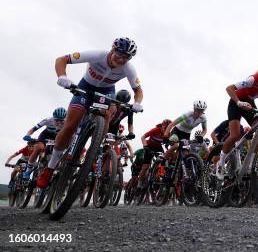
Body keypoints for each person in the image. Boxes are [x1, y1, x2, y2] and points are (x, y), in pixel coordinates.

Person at [37, 37, 144, 189]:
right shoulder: (97, 55)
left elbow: (138, 90)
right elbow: (61, 60)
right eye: (119, 54)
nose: (121, 59)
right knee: (70, 126)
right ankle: (50, 167)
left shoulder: (128, 68)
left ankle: (94, 149)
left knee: (108, 113)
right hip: (85, 88)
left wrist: (137, 103)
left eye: (126, 57)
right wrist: (62, 76)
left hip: (107, 91)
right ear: (112, 49)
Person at [21, 107, 66, 179]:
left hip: (57, 137)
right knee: (39, 148)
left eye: (61, 120)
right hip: (46, 135)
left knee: (59, 152)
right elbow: (33, 129)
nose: (58, 122)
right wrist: (28, 135)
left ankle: (54, 170)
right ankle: (28, 170)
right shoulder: (48, 120)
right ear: (53, 117)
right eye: (56, 120)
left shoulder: (66, 122)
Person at [137, 119, 171, 189]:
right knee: (146, 166)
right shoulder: (156, 130)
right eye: (165, 128)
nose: (166, 130)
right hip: (149, 146)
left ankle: (157, 173)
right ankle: (139, 181)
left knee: (164, 158)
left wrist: (168, 144)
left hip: (158, 147)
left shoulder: (168, 134)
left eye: (168, 128)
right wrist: (145, 146)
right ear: (162, 126)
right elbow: (143, 137)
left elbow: (169, 142)